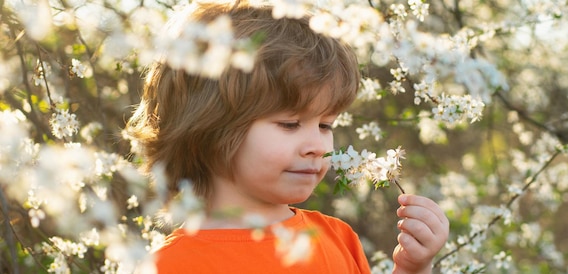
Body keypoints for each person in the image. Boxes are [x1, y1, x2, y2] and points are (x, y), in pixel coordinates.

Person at [125, 1, 449, 273]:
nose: (318, 148)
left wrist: (412, 268)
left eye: (326, 125)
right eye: (290, 124)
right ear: (209, 127)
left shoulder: (337, 238)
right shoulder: (170, 265)